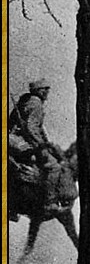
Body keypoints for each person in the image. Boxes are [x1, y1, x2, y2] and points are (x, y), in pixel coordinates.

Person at [8, 79, 66, 215]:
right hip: (17, 140)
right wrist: (41, 146)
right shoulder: (36, 103)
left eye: (47, 89)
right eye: (44, 89)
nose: (47, 92)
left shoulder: (26, 101)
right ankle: (50, 203)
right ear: (38, 90)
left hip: (12, 138)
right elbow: (32, 128)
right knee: (53, 166)